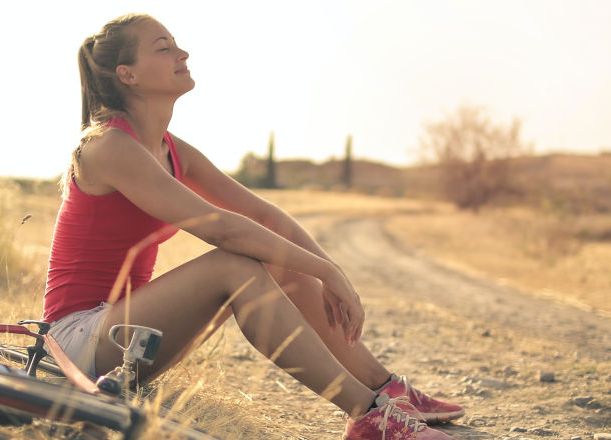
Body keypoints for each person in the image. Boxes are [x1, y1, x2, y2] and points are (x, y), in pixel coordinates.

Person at [44, 13, 464, 440]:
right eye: (163, 47)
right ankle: (369, 416)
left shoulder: (172, 150)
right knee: (236, 264)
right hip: (76, 343)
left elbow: (266, 217)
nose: (182, 53)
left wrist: (323, 266)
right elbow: (223, 230)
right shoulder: (106, 146)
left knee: (280, 260)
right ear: (126, 74)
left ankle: (385, 389)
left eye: (176, 43)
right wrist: (328, 272)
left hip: (131, 337)